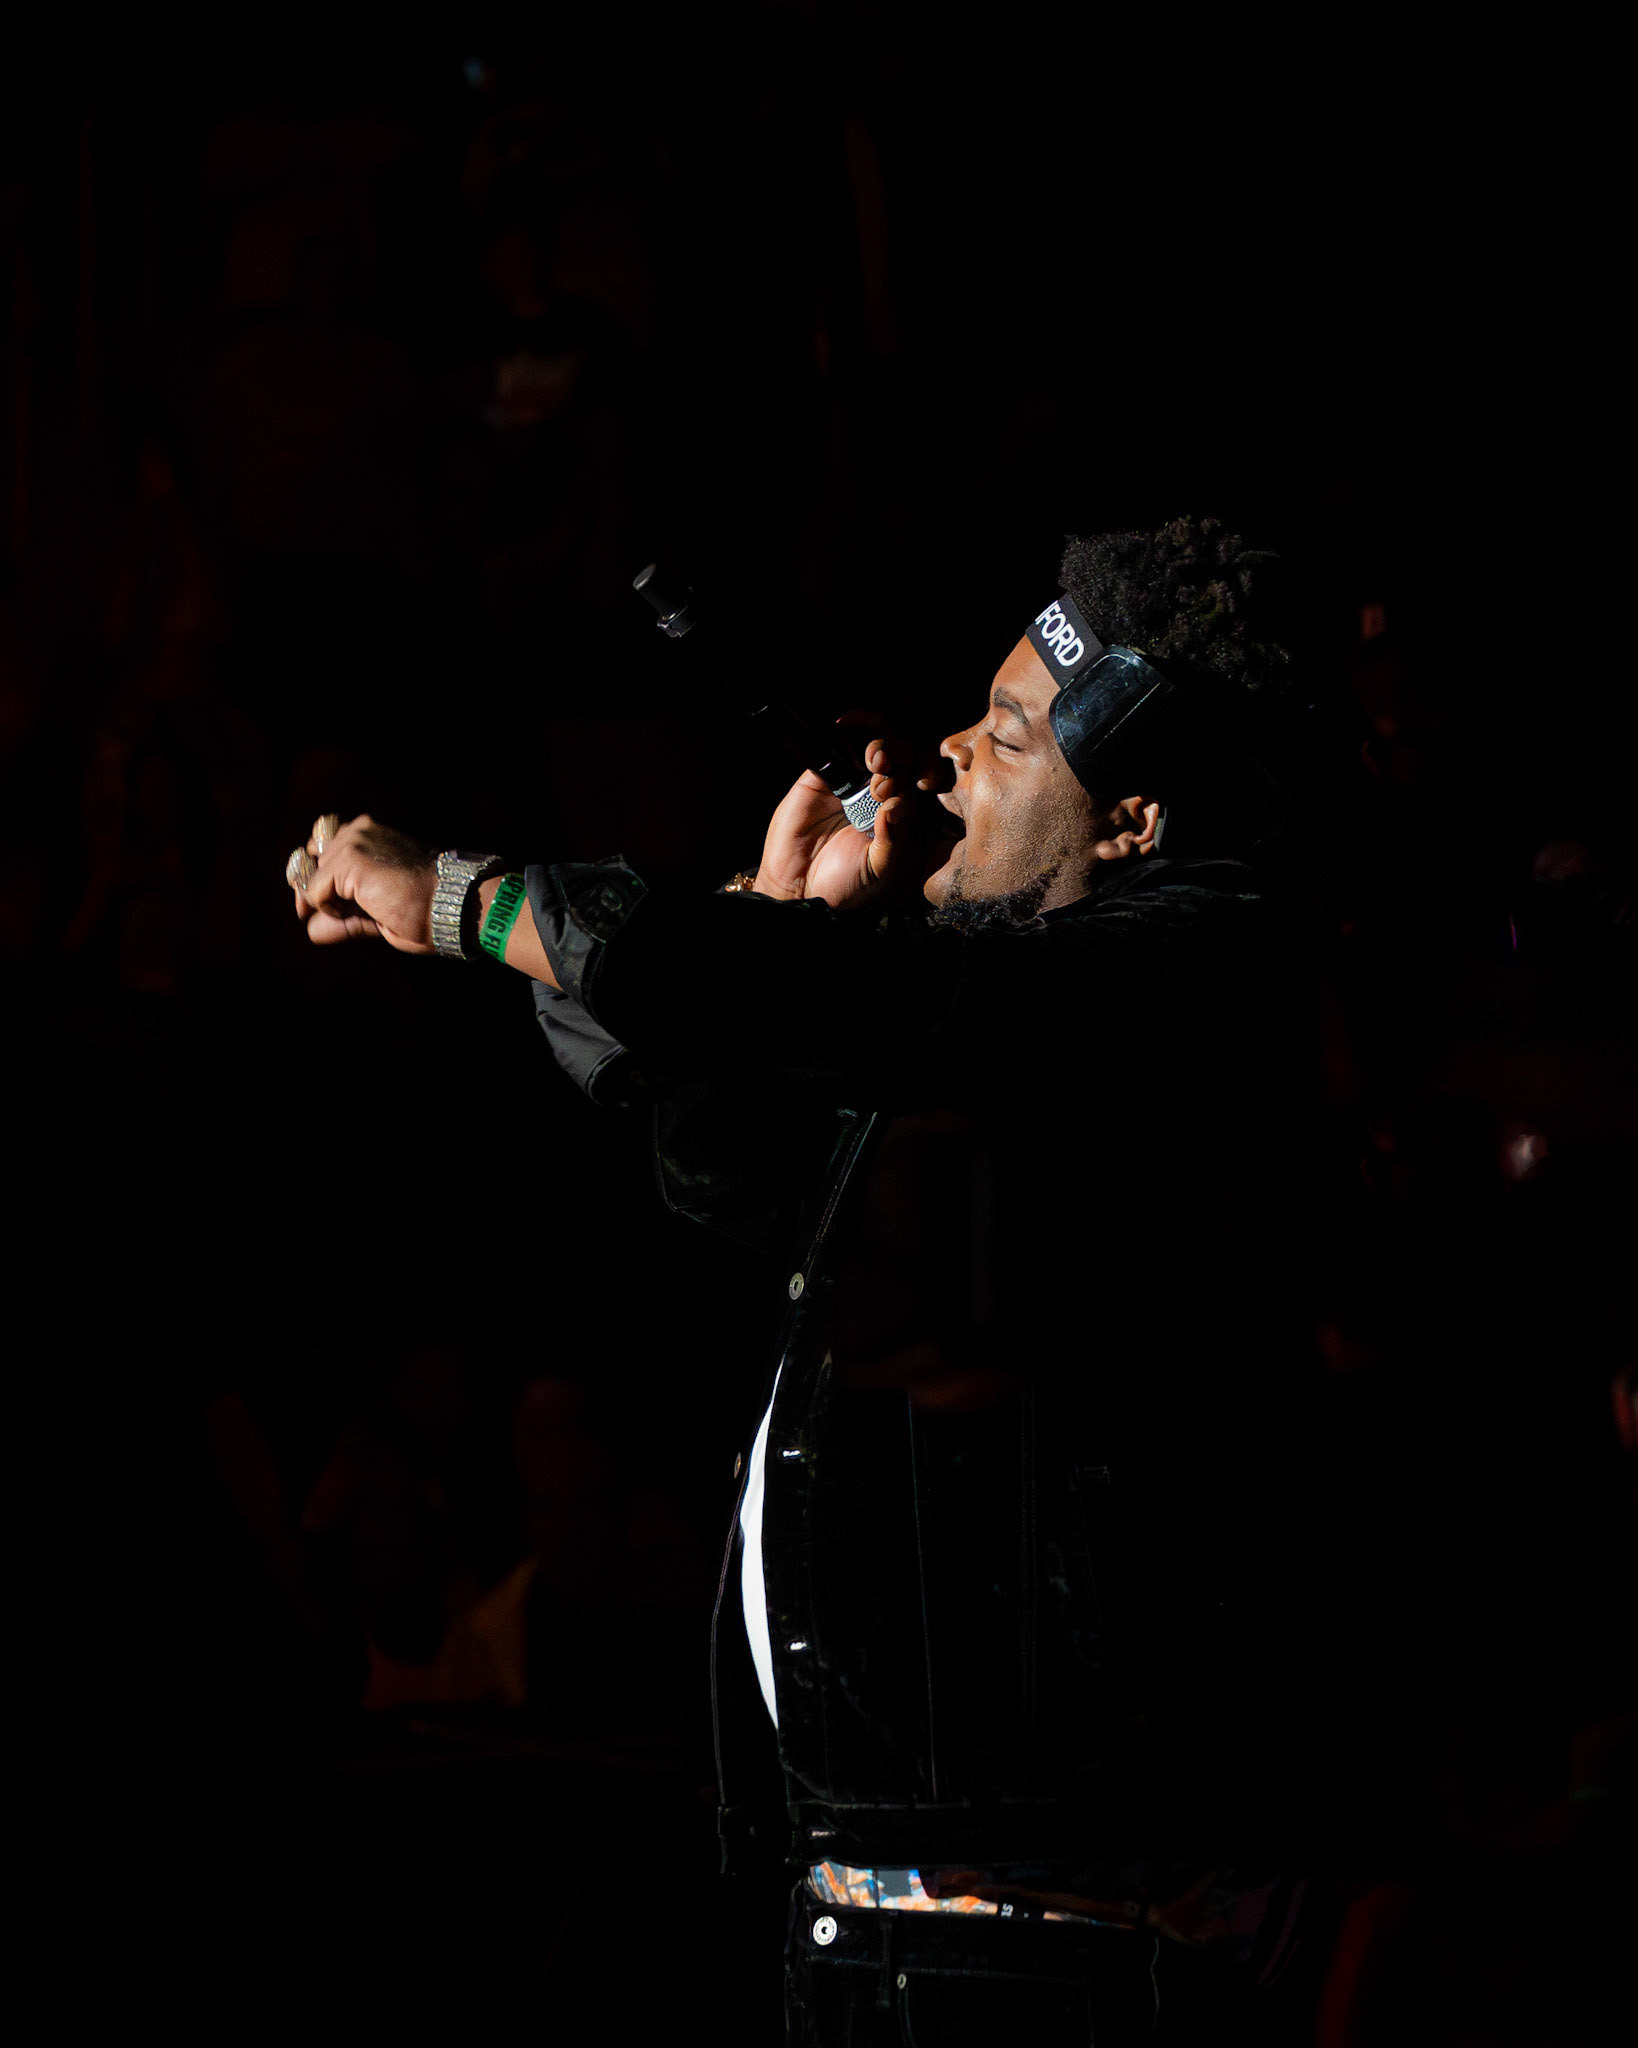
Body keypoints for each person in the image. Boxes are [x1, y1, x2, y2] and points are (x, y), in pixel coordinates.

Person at [288, 516, 1336, 2043]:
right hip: (896, 1923)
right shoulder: (980, 1027)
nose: (949, 759)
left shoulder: (1184, 975)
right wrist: (793, 925)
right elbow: (716, 1161)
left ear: (1130, 818)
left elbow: (768, 998)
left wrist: (459, 900)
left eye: (1005, 738)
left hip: (1062, 1958)